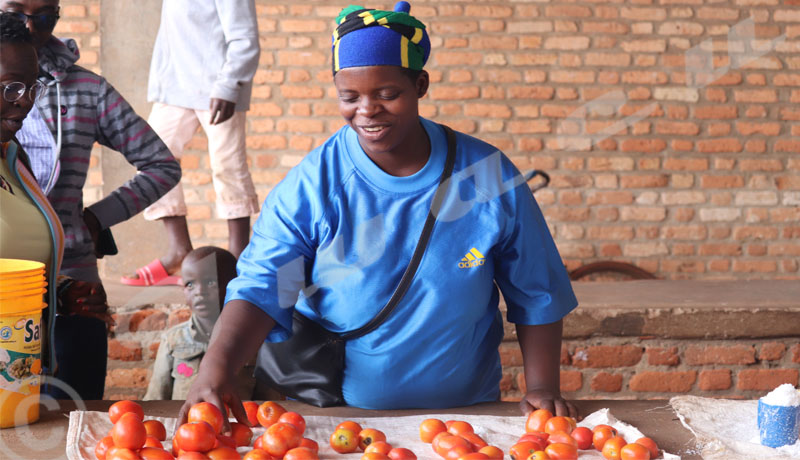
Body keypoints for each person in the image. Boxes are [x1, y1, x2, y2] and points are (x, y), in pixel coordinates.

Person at [181, 1, 578, 423]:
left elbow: (535, 290)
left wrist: (541, 388)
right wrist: (214, 370)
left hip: (465, 419)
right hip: (339, 422)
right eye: (349, 97)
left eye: (388, 94)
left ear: (421, 85)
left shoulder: (487, 177)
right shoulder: (315, 185)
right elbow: (264, 286)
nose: (367, 110)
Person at [0, 0, 181, 399]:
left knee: (66, 419)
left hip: (65, 290)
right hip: (18, 310)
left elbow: (162, 164)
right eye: (16, 14)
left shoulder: (81, 96)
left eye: (45, 17)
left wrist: (95, 221)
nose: (31, 26)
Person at [0, 12, 109, 391]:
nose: (25, 103)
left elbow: (13, 259)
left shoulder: (14, 159)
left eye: (32, 89)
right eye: (11, 88)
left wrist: (61, 289)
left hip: (18, 377)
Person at [121, 0, 261, 286]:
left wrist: (229, 86)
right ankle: (179, 252)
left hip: (218, 90)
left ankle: (238, 257)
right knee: (151, 159)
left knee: (228, 165)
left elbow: (244, 37)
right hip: (175, 89)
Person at [143, 246, 258, 400]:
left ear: (234, 285)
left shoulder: (255, 342)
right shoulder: (173, 340)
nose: (199, 291)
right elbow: (156, 399)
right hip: (185, 423)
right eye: (190, 284)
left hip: (237, 423)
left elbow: (269, 405)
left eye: (210, 282)